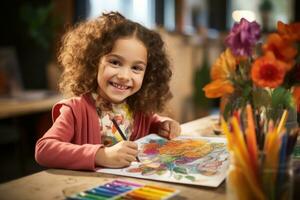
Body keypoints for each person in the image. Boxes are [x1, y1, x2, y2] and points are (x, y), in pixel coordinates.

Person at [35, 12, 181, 171]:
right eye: (115, 62)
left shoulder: (138, 109)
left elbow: (152, 121)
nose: (124, 76)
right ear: (93, 61)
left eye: (136, 68)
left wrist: (163, 125)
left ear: (148, 74)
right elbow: (44, 150)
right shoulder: (75, 110)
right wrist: (100, 156)